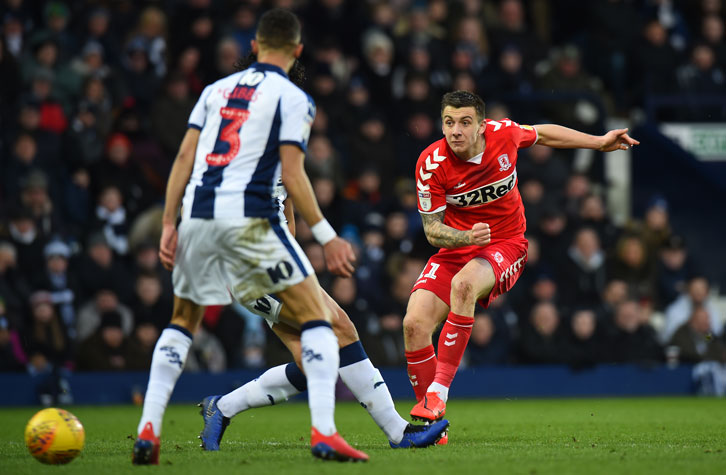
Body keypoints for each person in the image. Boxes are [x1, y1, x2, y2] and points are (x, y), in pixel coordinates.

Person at [133, 9, 365, 464]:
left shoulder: (213, 91)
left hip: (198, 216)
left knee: (182, 323)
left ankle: (149, 430)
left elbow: (183, 158)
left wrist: (167, 223)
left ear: (254, 47)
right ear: (297, 51)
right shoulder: (293, 97)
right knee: (318, 317)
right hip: (252, 220)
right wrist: (327, 235)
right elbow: (294, 176)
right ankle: (324, 433)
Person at [403, 91, 639, 435]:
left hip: (506, 243)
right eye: (449, 122)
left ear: (482, 126)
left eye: (465, 122)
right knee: (413, 325)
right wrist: (466, 238)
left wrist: (599, 142)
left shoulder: (504, 134)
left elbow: (543, 133)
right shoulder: (431, 163)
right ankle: (432, 428)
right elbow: (432, 230)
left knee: (464, 285)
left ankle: (438, 392)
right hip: (459, 246)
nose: (455, 131)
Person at [197, 190, 447, 451]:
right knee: (341, 329)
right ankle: (396, 432)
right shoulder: (243, 159)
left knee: (310, 364)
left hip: (283, 264)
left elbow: (287, 216)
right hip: (255, 269)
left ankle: (222, 407)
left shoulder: (278, 162)